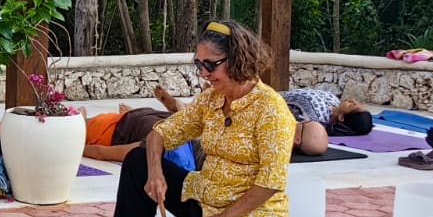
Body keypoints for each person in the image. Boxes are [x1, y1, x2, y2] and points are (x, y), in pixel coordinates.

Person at [114, 20, 294, 217]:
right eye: (199, 64)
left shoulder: (272, 110)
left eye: (211, 65)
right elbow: (158, 134)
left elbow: (271, 181)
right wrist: (155, 173)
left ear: (238, 59)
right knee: (138, 160)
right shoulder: (210, 100)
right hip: (204, 198)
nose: (203, 74)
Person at [153, 84, 370, 157]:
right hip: (268, 98)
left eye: (353, 105)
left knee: (212, 113)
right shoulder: (332, 100)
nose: (351, 100)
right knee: (206, 110)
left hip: (262, 105)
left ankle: (181, 109)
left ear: (341, 117)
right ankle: (182, 109)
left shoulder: (313, 118)